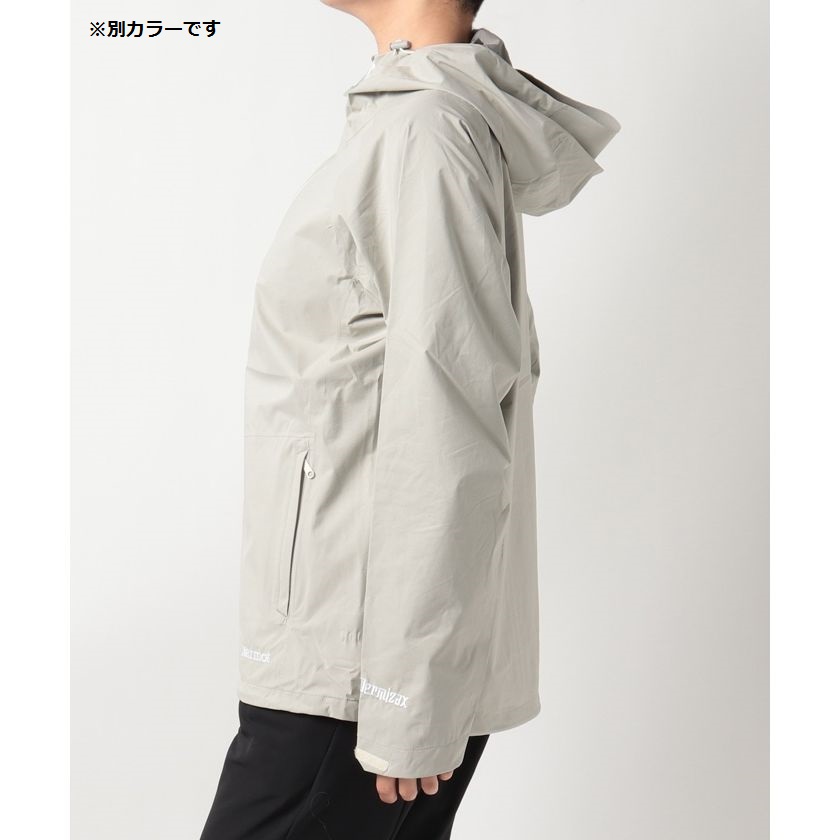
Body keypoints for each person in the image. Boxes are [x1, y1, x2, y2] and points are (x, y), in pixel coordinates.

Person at [199, 1, 620, 837]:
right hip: (354, 656)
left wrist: (407, 699)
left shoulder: (425, 133)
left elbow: (447, 419)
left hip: (357, 674)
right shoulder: (417, 124)